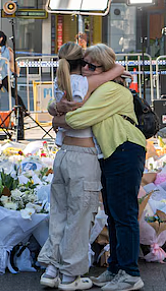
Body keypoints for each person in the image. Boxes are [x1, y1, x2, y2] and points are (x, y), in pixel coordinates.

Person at [53, 44, 146, 291]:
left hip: (124, 149)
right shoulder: (101, 87)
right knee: (115, 216)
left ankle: (130, 274)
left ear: (104, 68)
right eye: (83, 63)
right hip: (114, 152)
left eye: (91, 65)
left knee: (123, 214)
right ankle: (116, 268)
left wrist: (58, 119)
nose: (84, 69)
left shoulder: (110, 90)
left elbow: (79, 118)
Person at [40, 42, 125, 290]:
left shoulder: (61, 82)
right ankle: (70, 276)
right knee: (80, 217)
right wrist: (116, 69)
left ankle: (51, 269)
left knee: (60, 215)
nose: (90, 67)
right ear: (82, 64)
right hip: (84, 156)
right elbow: (114, 70)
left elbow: (56, 112)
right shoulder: (84, 84)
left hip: (63, 154)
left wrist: (55, 114)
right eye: (87, 63)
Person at [0, 30, 26, 112]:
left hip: (5, 76)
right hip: (0, 76)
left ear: (1, 38)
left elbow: (1, 62)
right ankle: (24, 109)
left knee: (10, 94)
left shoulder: (5, 50)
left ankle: (24, 109)